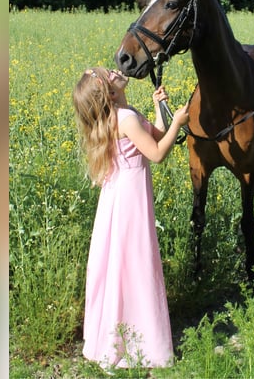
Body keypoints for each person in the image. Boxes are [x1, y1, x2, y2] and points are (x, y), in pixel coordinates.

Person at [72, 67, 189, 370]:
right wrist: (178, 120)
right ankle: (143, 343)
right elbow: (158, 153)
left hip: (117, 198)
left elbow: (155, 136)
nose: (115, 69)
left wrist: (158, 108)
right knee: (136, 264)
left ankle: (120, 338)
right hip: (130, 201)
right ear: (110, 92)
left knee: (120, 266)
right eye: (107, 73)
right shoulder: (125, 119)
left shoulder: (124, 114)